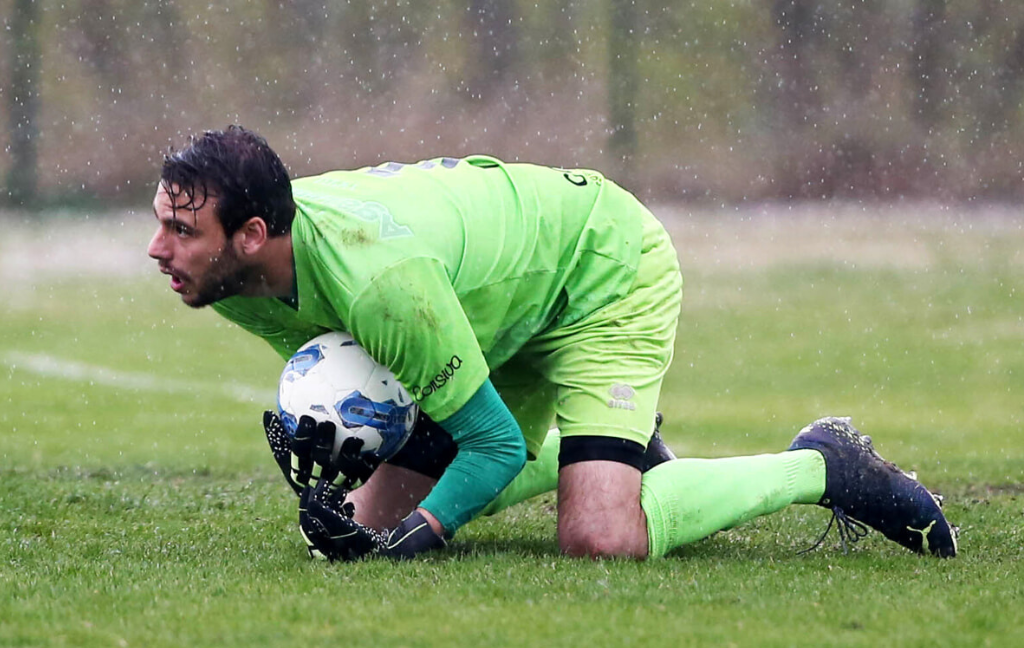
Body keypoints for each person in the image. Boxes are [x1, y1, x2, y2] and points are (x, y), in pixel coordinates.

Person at [148, 126, 958, 561]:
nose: (158, 249)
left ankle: (823, 464)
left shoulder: (377, 286)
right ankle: (596, 444)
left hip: (596, 265)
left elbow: (491, 445)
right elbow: (383, 373)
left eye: (181, 230)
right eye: (160, 222)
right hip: (484, 311)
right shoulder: (228, 280)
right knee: (344, 535)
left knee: (599, 538)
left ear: (254, 234)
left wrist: (418, 535)